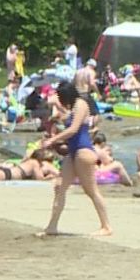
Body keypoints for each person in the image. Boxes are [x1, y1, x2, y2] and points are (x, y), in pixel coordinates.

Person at [39, 81, 111, 237]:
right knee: (59, 186)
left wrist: (53, 140)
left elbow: (73, 129)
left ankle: (106, 226)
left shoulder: (81, 105)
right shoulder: (73, 108)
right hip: (73, 152)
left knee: (91, 191)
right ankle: (52, 226)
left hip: (83, 151)